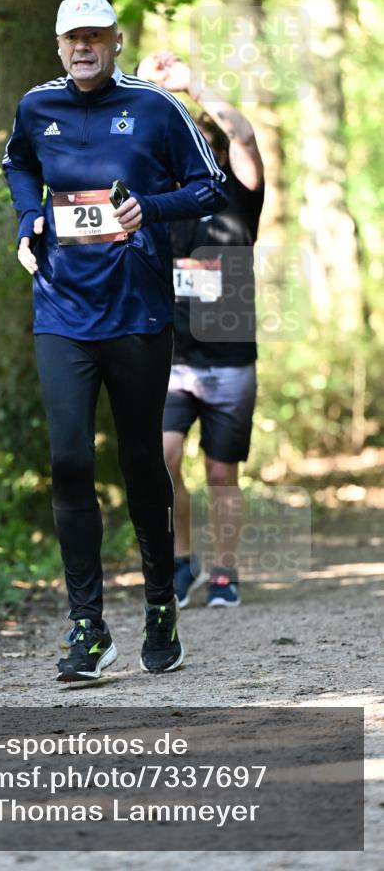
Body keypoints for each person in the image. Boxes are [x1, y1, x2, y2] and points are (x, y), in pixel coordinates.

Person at [2, 0, 227, 682]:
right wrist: (25, 221)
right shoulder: (37, 107)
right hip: (61, 308)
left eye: (95, 37)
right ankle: (86, 626)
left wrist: (146, 209)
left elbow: (210, 186)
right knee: (68, 461)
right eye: (72, 38)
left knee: (139, 464)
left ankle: (160, 606)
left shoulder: (156, 108)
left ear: (116, 41)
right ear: (58, 44)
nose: (83, 48)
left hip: (136, 311)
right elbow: (17, 165)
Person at [136, 50, 265, 609]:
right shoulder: (166, 196)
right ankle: (182, 560)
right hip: (173, 355)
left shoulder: (240, 193)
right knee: (163, 461)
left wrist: (194, 86)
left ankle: (225, 573)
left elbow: (246, 137)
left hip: (230, 355)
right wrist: (148, 90)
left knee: (221, 473)